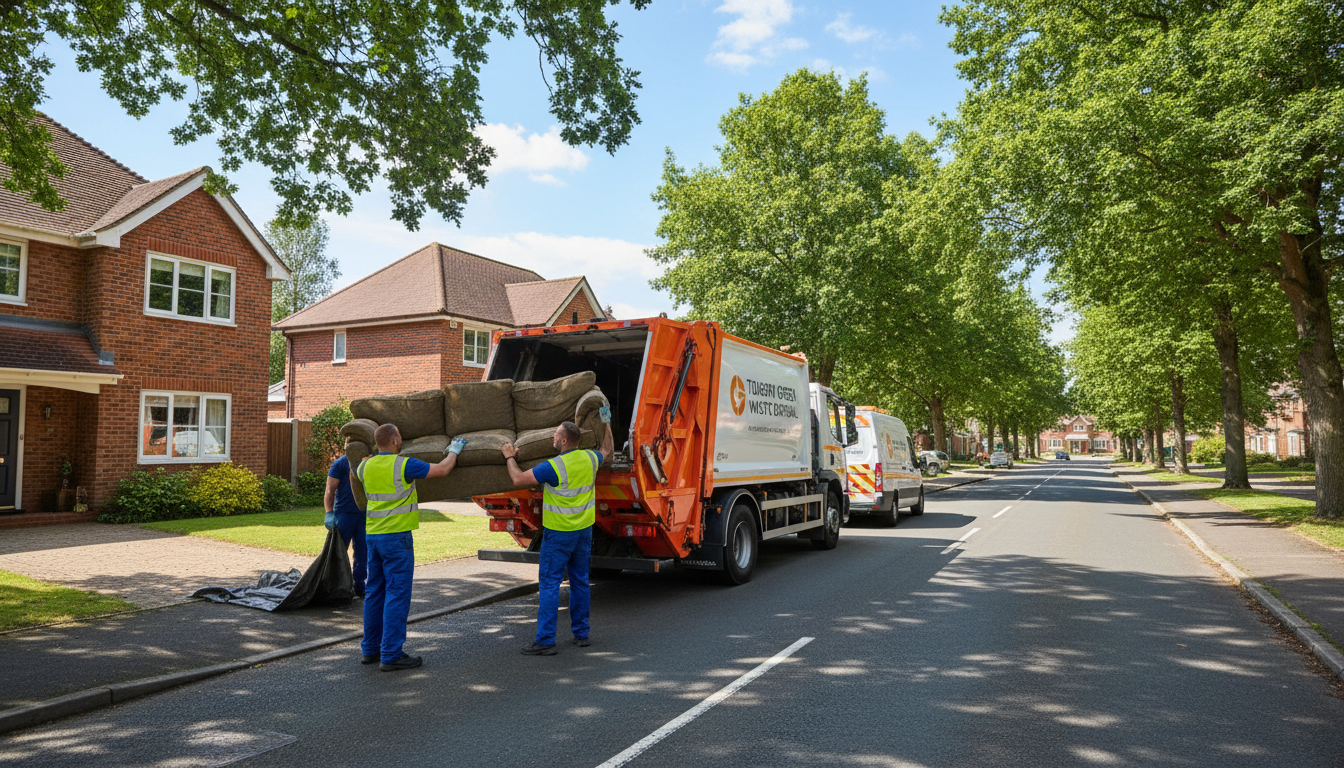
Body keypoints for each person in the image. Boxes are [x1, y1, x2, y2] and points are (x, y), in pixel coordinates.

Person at [501, 406, 613, 655]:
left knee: (550, 585)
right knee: (580, 582)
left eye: (555, 435)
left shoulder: (554, 466)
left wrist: (509, 456)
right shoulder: (590, 458)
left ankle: (545, 641)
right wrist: (607, 424)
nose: (552, 437)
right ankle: (582, 634)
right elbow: (607, 451)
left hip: (559, 535)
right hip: (584, 532)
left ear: (564, 441)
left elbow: (518, 480)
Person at [356, 424, 467, 671]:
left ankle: (370, 650)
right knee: (397, 594)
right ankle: (391, 654)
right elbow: (442, 469)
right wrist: (454, 451)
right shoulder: (404, 465)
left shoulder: (364, 466)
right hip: (397, 540)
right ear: (396, 441)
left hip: (373, 538)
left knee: (374, 593)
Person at [324, 453, 366, 597]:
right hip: (344, 514)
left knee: (363, 553)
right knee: (338, 552)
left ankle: (359, 586)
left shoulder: (369, 462)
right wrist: (329, 512)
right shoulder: (340, 463)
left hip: (365, 515)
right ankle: (336, 587)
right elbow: (330, 490)